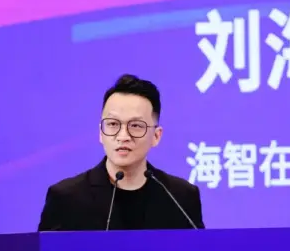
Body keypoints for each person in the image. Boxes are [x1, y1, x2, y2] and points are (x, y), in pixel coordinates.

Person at [37, 74, 205, 231]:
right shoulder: (66, 198)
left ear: (156, 136)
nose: (123, 136)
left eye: (136, 126)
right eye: (113, 124)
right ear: (101, 133)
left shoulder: (181, 197)